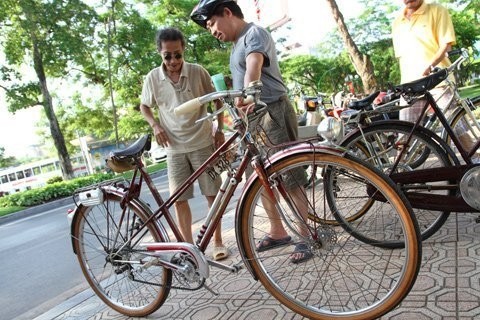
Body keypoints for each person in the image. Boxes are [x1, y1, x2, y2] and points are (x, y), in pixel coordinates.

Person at [191, 0, 313, 263]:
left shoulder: (254, 34)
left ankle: (305, 235)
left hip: (272, 112)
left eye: (211, 23)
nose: (211, 30)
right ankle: (278, 230)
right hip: (252, 119)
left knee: (289, 175)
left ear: (227, 12)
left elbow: (254, 66)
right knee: (257, 178)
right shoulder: (236, 44)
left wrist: (247, 97)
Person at [140, 27, 229, 261]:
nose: (173, 61)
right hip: (174, 148)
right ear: (160, 53)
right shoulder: (153, 78)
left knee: (213, 195)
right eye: (167, 55)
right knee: (180, 200)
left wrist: (219, 128)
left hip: (203, 142)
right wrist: (155, 125)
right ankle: (189, 249)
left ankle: (218, 242)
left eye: (177, 54)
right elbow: (144, 106)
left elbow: (216, 98)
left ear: (183, 51)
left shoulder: (198, 72)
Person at [392, 0, 475, 152]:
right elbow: (402, 56)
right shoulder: (397, 22)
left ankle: (475, 163)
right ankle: (398, 172)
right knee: (404, 134)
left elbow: (446, 45)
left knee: (456, 126)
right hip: (411, 84)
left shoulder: (437, 10)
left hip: (438, 81)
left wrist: (430, 66)